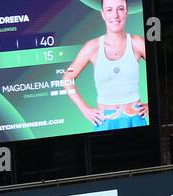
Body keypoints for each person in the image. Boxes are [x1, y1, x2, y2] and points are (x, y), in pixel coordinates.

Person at [61, 0, 149, 132]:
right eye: (109, 10)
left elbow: (160, 69)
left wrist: (151, 104)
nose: (115, 15)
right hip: (105, 122)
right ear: (103, 14)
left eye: (120, 9)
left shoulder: (138, 43)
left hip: (135, 118)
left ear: (126, 12)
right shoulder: (92, 47)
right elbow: (67, 79)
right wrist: (84, 109)